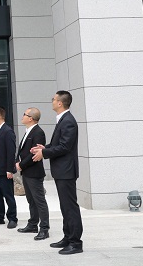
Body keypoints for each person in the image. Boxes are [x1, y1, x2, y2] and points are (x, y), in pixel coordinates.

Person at [32, 90, 83, 255]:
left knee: (70, 207)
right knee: (65, 206)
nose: (52, 101)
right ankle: (68, 237)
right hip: (62, 171)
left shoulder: (68, 121)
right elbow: (59, 144)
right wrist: (45, 148)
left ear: (60, 103)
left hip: (66, 171)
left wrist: (44, 153)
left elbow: (65, 147)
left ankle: (75, 243)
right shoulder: (63, 119)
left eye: (54, 99)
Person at [15, 107, 49, 240]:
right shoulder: (28, 131)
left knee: (39, 200)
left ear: (31, 118)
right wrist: (17, 161)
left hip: (34, 172)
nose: (22, 116)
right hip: (26, 172)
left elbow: (34, 154)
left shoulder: (38, 132)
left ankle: (44, 228)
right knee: (31, 200)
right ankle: (33, 224)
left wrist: (21, 164)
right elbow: (22, 151)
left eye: (25, 114)